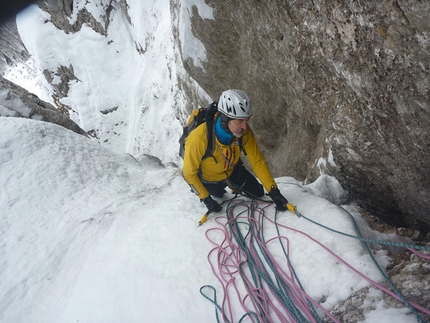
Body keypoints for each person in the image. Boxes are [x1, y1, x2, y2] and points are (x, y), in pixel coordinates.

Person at [182, 89, 289, 214]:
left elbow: (257, 161)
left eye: (246, 120)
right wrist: (206, 199)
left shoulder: (243, 133)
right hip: (209, 180)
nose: (245, 126)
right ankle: (216, 190)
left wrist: (274, 191)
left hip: (232, 169)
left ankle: (233, 185)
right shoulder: (199, 138)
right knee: (219, 195)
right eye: (240, 121)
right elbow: (189, 174)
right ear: (226, 118)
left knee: (259, 192)